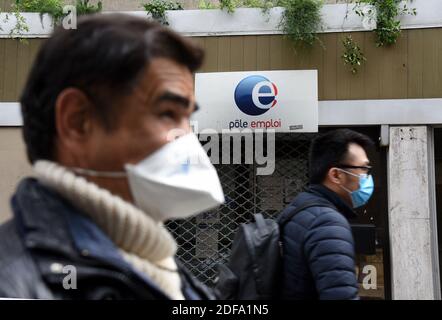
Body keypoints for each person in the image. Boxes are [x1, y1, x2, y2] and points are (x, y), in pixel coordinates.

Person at [0, 14, 225, 300]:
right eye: (168, 114)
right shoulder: (14, 286)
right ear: (77, 122)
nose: (188, 139)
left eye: (188, 119)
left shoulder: (164, 269)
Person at [279, 129, 374, 300]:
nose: (367, 177)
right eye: (363, 168)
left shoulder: (298, 210)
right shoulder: (327, 223)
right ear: (336, 175)